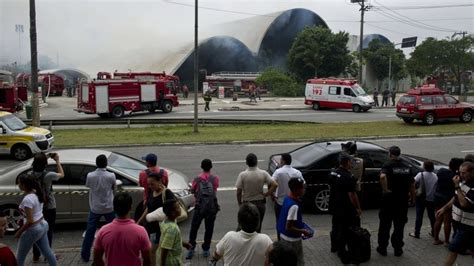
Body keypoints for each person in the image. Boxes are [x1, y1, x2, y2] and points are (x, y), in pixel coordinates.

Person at [377, 146, 416, 257]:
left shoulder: (388, 165)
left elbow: (382, 177)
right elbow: (412, 185)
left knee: (385, 225)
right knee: (399, 226)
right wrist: (413, 198)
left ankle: (382, 248)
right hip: (402, 201)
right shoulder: (406, 166)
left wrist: (386, 190)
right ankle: (398, 248)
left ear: (390, 154)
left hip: (389, 201)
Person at [93, 192, 151, 266]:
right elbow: (147, 259)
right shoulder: (141, 231)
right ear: (130, 207)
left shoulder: (103, 231)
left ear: (113, 208)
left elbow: (97, 259)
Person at [80, 155, 117, 262]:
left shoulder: (90, 175)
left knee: (90, 232)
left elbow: (88, 186)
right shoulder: (111, 176)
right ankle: (114, 252)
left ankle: (85, 255)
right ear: (106, 163)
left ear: (96, 163)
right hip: (109, 207)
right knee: (113, 231)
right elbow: (114, 190)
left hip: (95, 207)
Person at [436, 162, 474, 265]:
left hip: (467, 227)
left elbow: (464, 203)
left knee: (453, 250)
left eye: (464, 173)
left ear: (472, 172)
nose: (461, 175)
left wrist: (457, 186)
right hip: (459, 225)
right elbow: (456, 197)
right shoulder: (463, 181)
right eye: (460, 172)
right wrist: (444, 208)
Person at [15, 174, 57, 266]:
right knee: (48, 252)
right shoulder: (36, 192)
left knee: (20, 257)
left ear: (24, 185)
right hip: (43, 224)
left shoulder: (28, 199)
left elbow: (30, 221)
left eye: (19, 183)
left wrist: (19, 232)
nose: (18, 185)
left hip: (33, 230)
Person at [30, 152, 64, 263]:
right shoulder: (48, 175)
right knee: (48, 231)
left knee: (36, 230)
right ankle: (47, 255)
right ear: (45, 164)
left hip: (36, 206)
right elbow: (61, 174)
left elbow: (35, 163)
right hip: (49, 206)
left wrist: (46, 156)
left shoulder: (30, 175)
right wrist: (57, 161)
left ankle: (36, 255)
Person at [329, 153, 362, 264]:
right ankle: (343, 254)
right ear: (347, 162)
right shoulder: (348, 177)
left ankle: (334, 247)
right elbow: (352, 195)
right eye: (350, 161)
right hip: (345, 209)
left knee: (335, 227)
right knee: (344, 231)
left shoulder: (333, 172)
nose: (351, 163)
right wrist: (358, 208)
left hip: (334, 206)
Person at [137, 170, 175, 265]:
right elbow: (148, 209)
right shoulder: (152, 191)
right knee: (153, 251)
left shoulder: (167, 193)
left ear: (160, 181)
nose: (150, 186)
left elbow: (173, 209)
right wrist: (139, 222)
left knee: (152, 251)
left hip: (161, 229)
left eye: (152, 184)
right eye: (149, 184)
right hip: (151, 228)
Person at [186, 159, 220, 259]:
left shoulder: (197, 179)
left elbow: (193, 190)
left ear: (201, 167)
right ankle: (206, 249)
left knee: (194, 228)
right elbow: (214, 190)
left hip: (199, 207)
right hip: (211, 207)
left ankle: (191, 248)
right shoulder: (215, 179)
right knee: (209, 229)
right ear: (211, 167)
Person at [236, 153, 278, 233]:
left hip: (247, 204)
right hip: (260, 204)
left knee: (242, 227)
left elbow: (238, 191)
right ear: (256, 162)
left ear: (246, 163)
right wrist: (267, 194)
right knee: (257, 227)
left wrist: (239, 203)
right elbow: (275, 184)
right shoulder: (263, 173)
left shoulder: (242, 175)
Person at [277, 177, 311, 266]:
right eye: (302, 188)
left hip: (283, 236)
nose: (304, 189)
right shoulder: (294, 206)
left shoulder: (287, 198)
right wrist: (303, 231)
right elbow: (289, 227)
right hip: (292, 240)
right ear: (296, 190)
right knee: (297, 262)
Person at [271, 153, 304, 239]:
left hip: (280, 202)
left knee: (279, 222)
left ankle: (280, 240)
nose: (280, 161)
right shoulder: (297, 172)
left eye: (281, 160)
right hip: (293, 202)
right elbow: (304, 184)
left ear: (283, 161)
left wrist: (272, 194)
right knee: (292, 222)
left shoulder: (278, 172)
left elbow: (271, 183)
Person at [433, 158, 463, 245]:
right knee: (447, 221)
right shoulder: (456, 176)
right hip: (448, 198)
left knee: (438, 218)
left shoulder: (441, 171)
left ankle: (436, 239)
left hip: (438, 196)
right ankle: (446, 241)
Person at [409, 161, 438, 239]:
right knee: (432, 216)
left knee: (419, 216)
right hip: (431, 199)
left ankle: (417, 233)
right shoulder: (435, 176)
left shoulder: (420, 175)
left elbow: (413, 183)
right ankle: (434, 232)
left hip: (421, 198)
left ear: (424, 167)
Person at [158, 199, 192, 266]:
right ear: (173, 213)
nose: (180, 208)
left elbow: (170, 240)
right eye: (178, 207)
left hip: (174, 258)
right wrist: (162, 264)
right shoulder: (172, 229)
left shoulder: (166, 221)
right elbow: (165, 248)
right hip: (171, 261)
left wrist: (183, 243)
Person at [137, 153, 169, 220]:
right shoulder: (164, 172)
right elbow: (166, 185)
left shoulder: (143, 173)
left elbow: (141, 185)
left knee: (148, 221)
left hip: (148, 202)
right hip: (162, 202)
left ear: (148, 163)